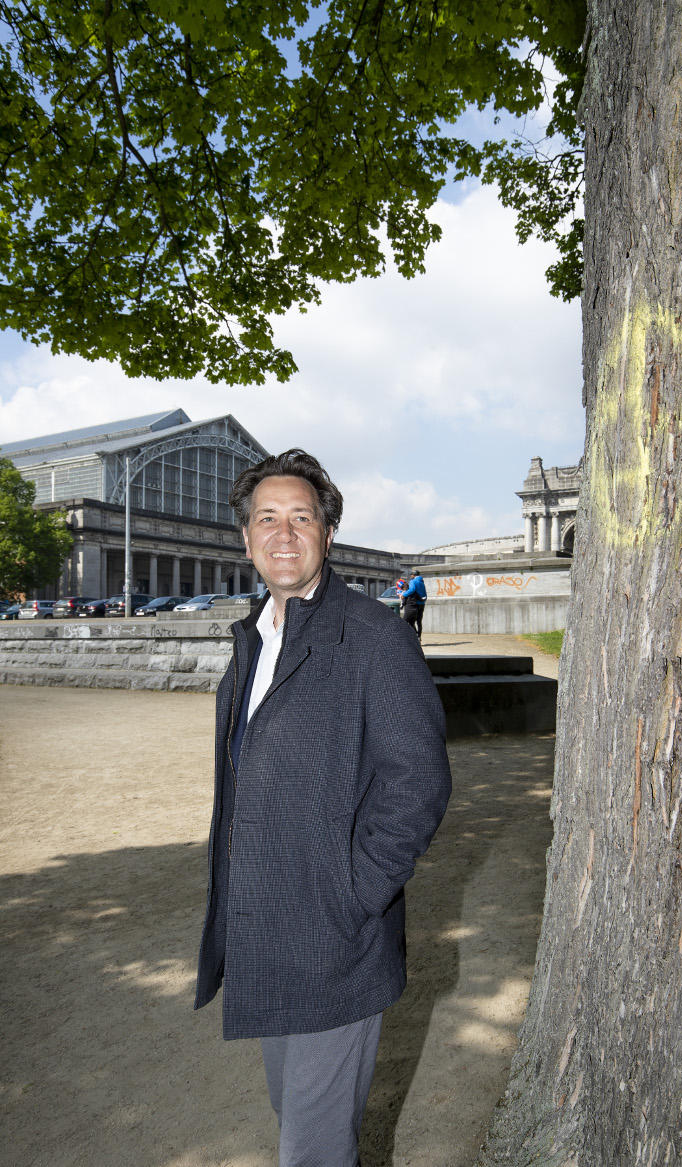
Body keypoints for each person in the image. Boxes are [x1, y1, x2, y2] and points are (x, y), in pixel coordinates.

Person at [194, 449, 451, 1167]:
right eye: (267, 518)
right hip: (266, 940)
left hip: (333, 947)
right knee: (306, 1126)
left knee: (309, 1149)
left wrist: (351, 895)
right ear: (246, 538)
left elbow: (417, 786)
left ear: (327, 533)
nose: (283, 532)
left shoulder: (375, 637)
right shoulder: (254, 640)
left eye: (301, 517)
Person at [400, 570, 427, 638]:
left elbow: (412, 589)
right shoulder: (422, 582)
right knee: (419, 621)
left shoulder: (413, 581)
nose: (410, 576)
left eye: (411, 575)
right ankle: (419, 636)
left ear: (413, 575)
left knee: (410, 621)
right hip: (422, 603)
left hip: (414, 603)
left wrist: (404, 595)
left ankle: (413, 636)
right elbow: (425, 593)